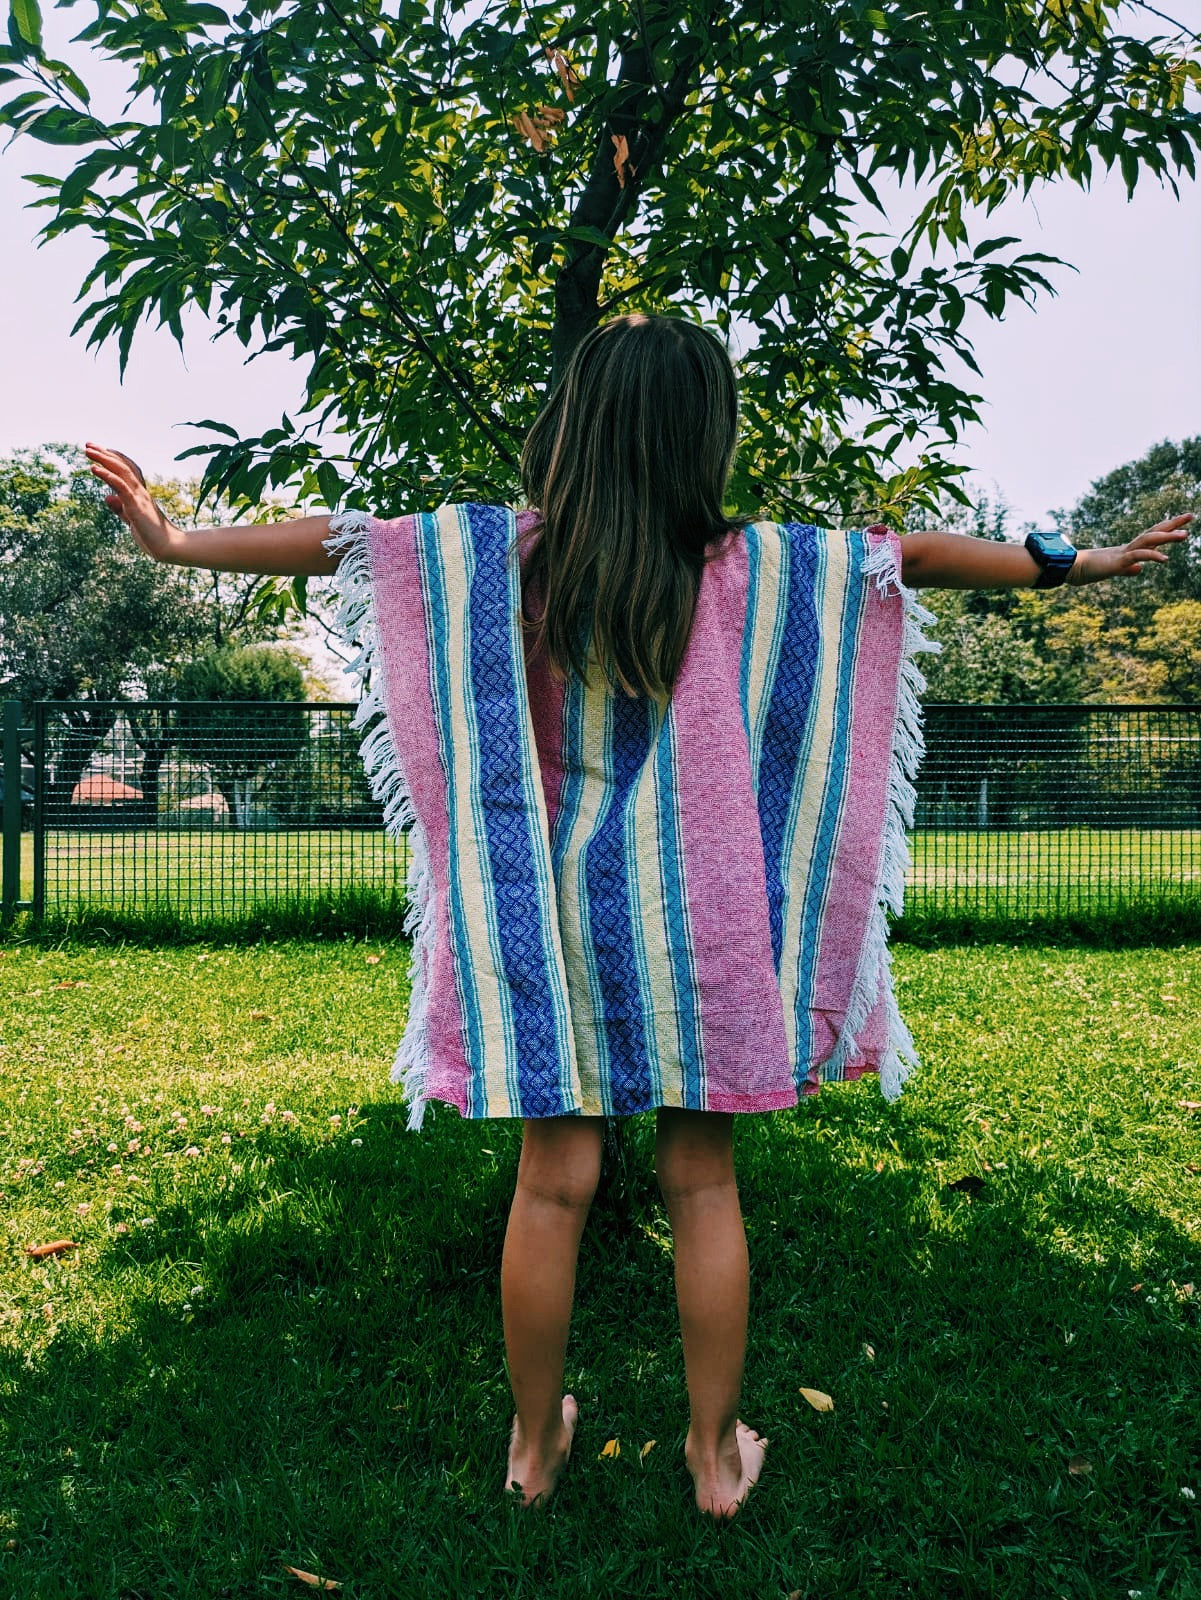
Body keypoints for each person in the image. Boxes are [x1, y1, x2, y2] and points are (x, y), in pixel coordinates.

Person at [85, 314, 1192, 1521]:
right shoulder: (755, 567)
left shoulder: (500, 557)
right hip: (704, 915)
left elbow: (342, 545)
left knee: (552, 1180)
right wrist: (1077, 561)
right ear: (699, 437)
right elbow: (911, 558)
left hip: (548, 914)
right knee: (701, 1180)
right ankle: (716, 1459)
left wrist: (179, 538)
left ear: (575, 424)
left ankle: (532, 1449)